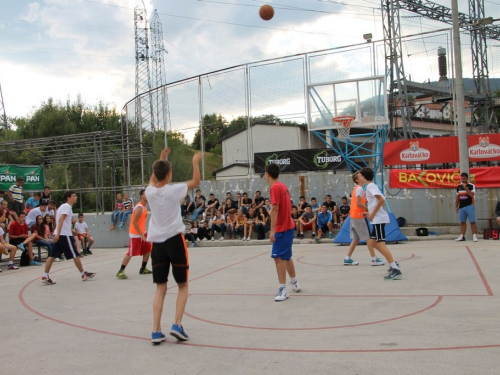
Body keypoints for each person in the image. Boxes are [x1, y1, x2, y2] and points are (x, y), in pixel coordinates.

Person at [145, 147, 204, 344]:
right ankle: (177, 324)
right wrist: (195, 161)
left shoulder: (150, 192)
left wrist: (161, 159)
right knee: (182, 285)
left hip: (157, 245)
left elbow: (154, 179)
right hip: (174, 241)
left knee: (160, 288)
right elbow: (196, 182)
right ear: (169, 174)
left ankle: (155, 330)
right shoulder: (173, 189)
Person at [41, 191, 96, 285]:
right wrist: (58, 234)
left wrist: (70, 230)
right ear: (68, 198)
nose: (76, 197)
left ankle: (45, 275)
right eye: (74, 196)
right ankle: (83, 274)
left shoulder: (62, 206)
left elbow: (62, 222)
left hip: (62, 234)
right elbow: (61, 220)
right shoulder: (67, 207)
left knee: (52, 255)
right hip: (64, 236)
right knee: (75, 254)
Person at [358, 167, 402, 280]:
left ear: (363, 176)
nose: (359, 177)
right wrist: (369, 212)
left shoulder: (370, 186)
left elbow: (382, 200)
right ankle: (393, 262)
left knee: (381, 245)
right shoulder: (370, 186)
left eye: (360, 175)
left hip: (378, 220)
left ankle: (395, 268)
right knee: (372, 243)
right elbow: (377, 202)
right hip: (377, 218)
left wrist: (372, 214)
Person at [265, 163, 301, 302]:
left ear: (267, 174)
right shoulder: (283, 186)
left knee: (278, 258)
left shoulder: (274, 187)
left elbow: (275, 209)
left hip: (281, 228)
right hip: (288, 226)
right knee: (286, 257)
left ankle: (282, 289)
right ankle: (295, 282)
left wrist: (272, 230)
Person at [343, 172, 385, 266]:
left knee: (356, 238)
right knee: (368, 238)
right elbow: (358, 204)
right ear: (357, 180)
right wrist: (370, 209)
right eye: (360, 176)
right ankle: (374, 259)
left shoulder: (357, 189)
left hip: (354, 215)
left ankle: (347, 258)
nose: (362, 177)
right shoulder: (360, 189)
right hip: (358, 216)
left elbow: (358, 203)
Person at [116, 189, 152, 279]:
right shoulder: (139, 207)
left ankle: (143, 269)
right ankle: (120, 271)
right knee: (131, 252)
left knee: (148, 249)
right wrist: (141, 235)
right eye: (145, 194)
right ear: (141, 196)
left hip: (142, 232)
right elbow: (135, 222)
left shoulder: (145, 207)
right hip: (136, 234)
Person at [455, 172, 478, 242]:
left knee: (472, 221)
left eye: (464, 178)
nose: (463, 180)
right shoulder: (458, 187)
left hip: (470, 206)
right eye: (462, 178)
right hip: (461, 207)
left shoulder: (471, 186)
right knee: (462, 222)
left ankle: (474, 236)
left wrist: (465, 188)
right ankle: (462, 236)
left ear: (467, 178)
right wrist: (456, 206)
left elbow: (471, 195)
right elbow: (458, 197)